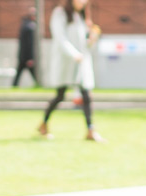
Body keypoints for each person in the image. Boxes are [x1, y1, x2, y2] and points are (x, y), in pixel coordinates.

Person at [37, 0, 102, 142]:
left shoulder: (82, 16)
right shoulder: (60, 13)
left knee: (86, 95)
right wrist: (74, 54)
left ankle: (90, 130)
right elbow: (60, 38)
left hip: (81, 62)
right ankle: (44, 123)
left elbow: (85, 44)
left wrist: (92, 39)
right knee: (60, 96)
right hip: (66, 62)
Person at [13, 6, 39, 87]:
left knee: (19, 74)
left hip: (22, 56)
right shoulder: (30, 28)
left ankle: (14, 86)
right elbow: (29, 44)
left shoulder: (24, 25)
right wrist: (30, 58)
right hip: (27, 57)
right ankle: (38, 84)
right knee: (33, 73)